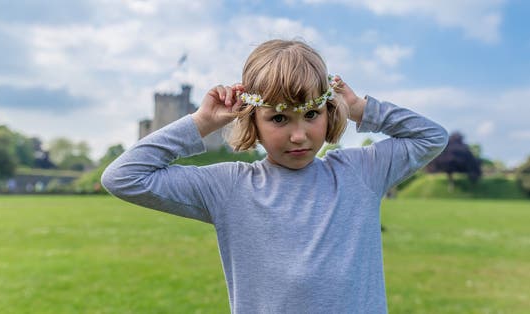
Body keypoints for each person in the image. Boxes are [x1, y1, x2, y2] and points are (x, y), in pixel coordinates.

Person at [102, 39, 448, 313]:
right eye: (279, 119)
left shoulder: (360, 172)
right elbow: (124, 177)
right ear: (252, 120)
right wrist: (202, 123)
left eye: (311, 114)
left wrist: (359, 108)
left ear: (329, 111)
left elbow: (431, 137)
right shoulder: (229, 187)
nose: (299, 135)